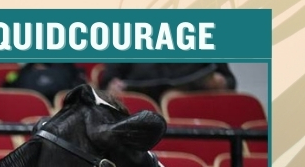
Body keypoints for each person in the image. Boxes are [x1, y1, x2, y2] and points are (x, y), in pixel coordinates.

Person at [98, 63, 236, 104]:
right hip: (142, 115)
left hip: (195, 109)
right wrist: (112, 87)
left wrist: (221, 82)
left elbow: (229, 80)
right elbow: (106, 83)